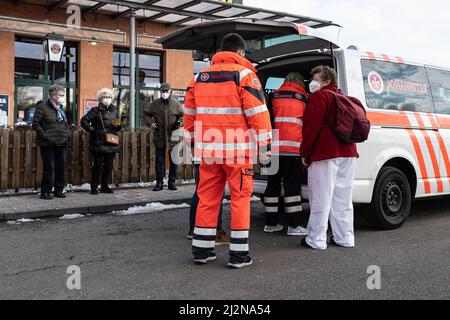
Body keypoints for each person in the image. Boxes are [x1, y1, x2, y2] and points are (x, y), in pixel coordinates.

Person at [184, 33, 272, 269]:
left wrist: (192, 143)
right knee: (240, 200)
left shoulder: (198, 78)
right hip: (237, 152)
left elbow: (189, 116)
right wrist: (265, 147)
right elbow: (258, 115)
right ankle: (238, 256)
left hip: (208, 151)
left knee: (207, 199)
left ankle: (202, 251)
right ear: (241, 52)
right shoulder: (245, 75)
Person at [300, 66, 359, 250]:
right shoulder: (344, 97)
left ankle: (316, 239)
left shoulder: (320, 97)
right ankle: (345, 237)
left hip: (325, 153)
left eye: (315, 79)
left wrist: (305, 153)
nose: (312, 82)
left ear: (325, 82)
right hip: (348, 153)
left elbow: (311, 128)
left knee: (320, 197)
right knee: (343, 198)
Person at [263, 72, 309, 236]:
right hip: (293, 150)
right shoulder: (304, 98)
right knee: (292, 188)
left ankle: (270, 223)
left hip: (272, 150)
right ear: (300, 83)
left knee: (272, 187)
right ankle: (294, 226)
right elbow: (307, 126)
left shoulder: (273, 96)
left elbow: (265, 121)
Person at [143, 83, 183, 191]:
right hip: (159, 136)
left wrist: (179, 123)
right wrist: (151, 123)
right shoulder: (155, 104)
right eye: (163, 91)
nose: (165, 93)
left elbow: (183, 116)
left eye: (166, 91)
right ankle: (159, 183)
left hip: (173, 137)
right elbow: (146, 115)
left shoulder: (176, 104)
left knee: (173, 161)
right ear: (160, 92)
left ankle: (172, 182)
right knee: (159, 162)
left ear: (170, 92)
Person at [32, 85, 71, 200]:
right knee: (49, 167)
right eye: (61, 94)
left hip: (61, 142)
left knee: (61, 167)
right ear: (53, 95)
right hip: (47, 143)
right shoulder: (42, 107)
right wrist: (45, 136)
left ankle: (58, 191)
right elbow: (36, 124)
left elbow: (64, 124)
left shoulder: (60, 108)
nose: (62, 97)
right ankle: (45, 192)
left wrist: (67, 134)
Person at [81, 88, 121, 195]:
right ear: (100, 99)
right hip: (98, 142)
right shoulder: (95, 110)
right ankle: (94, 187)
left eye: (108, 97)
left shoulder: (114, 110)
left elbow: (117, 124)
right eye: (104, 97)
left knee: (108, 166)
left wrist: (118, 125)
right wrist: (93, 130)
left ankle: (104, 186)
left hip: (111, 141)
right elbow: (84, 121)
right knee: (97, 166)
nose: (107, 99)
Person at [187, 160, 230, 245]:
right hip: (208, 157)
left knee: (200, 192)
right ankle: (217, 231)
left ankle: (193, 229)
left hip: (199, 155)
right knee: (216, 192)